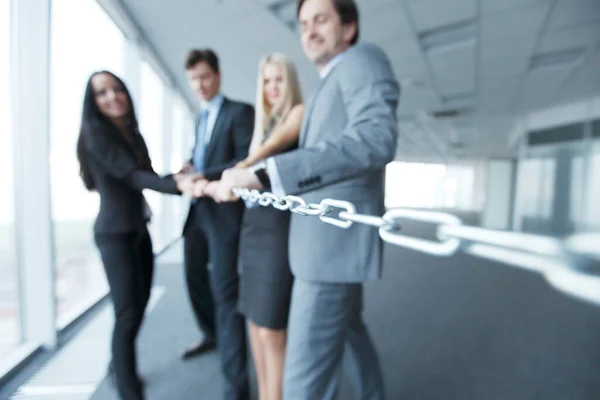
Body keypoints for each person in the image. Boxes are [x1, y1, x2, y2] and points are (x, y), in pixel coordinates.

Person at [213, 0, 400, 398]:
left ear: (348, 28)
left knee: (302, 384)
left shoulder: (363, 60)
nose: (309, 30)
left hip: (327, 252)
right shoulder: (326, 84)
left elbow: (376, 138)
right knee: (351, 338)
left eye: (321, 20)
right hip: (322, 246)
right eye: (303, 24)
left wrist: (268, 174)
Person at [76, 71, 194, 400]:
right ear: (94, 103)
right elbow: (131, 176)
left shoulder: (131, 133)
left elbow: (147, 176)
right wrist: (178, 186)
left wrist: (176, 177)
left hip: (139, 230)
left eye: (117, 90)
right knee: (127, 314)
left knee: (138, 307)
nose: (112, 96)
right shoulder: (96, 133)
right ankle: (127, 388)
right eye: (102, 93)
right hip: (114, 235)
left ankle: (119, 365)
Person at [203, 53, 304, 400]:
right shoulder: (262, 127)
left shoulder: (296, 117)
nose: (272, 87)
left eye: (279, 80)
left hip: (278, 230)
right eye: (266, 81)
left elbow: (261, 164)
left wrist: (236, 172)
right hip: (254, 228)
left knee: (272, 331)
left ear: (289, 82)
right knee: (254, 324)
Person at [180, 48, 254, 400]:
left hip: (224, 215)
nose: (199, 84)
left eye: (205, 77)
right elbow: (204, 157)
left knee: (227, 296)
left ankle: (235, 389)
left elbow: (242, 159)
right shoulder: (200, 118)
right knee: (193, 277)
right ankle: (211, 334)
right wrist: (189, 168)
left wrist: (202, 175)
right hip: (198, 213)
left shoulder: (240, 112)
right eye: (193, 78)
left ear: (218, 76)